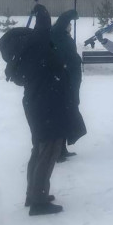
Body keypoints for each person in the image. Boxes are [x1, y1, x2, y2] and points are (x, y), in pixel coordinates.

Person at [0, 4, 87, 216]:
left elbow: (42, 36)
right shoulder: (34, 50)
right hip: (47, 106)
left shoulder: (22, 56)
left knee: (39, 150)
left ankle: (34, 194)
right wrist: (43, 13)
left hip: (39, 104)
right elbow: (42, 32)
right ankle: (38, 200)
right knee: (47, 153)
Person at [50, 9, 82, 162]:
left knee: (68, 113)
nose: (69, 26)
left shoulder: (63, 36)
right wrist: (70, 14)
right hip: (64, 80)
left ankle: (62, 148)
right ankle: (57, 150)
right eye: (68, 24)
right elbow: (62, 21)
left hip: (72, 81)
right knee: (63, 114)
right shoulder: (56, 33)